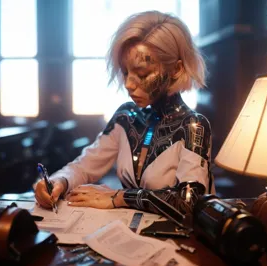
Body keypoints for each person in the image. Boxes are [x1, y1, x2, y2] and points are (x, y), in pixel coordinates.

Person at [35, 10, 213, 219]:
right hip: (129, 235)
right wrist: (59, 181)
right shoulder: (126, 116)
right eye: (125, 72)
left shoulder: (194, 126)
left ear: (176, 69)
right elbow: (85, 165)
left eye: (142, 74)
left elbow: (188, 202)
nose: (128, 84)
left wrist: (117, 197)